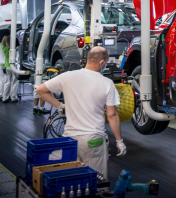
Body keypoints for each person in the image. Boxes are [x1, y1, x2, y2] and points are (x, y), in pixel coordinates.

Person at [36, 46, 126, 181]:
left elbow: (41, 90)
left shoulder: (67, 76)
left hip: (70, 139)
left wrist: (60, 106)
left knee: (73, 182)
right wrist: (119, 141)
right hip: (93, 140)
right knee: (96, 182)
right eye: (105, 63)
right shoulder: (106, 83)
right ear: (101, 62)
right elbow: (112, 115)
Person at [0, 35, 18, 103]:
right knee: (15, 82)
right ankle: (13, 97)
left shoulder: (5, 49)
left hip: (7, 67)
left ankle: (5, 98)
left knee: (7, 83)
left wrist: (4, 40)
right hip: (15, 68)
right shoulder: (16, 50)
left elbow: (3, 44)